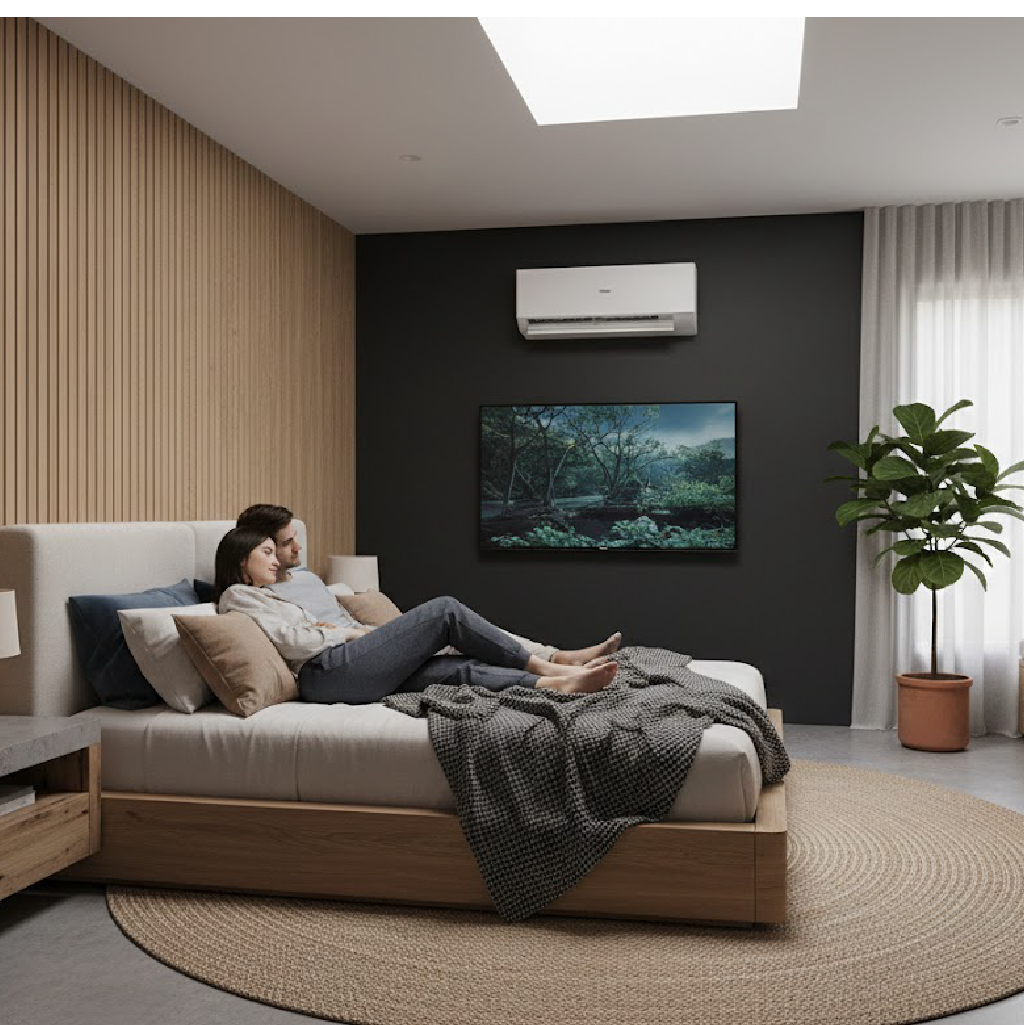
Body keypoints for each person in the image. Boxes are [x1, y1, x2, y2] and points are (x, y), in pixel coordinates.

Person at [214, 526, 618, 704]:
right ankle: (550, 665)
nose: (276, 560)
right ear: (240, 558)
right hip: (325, 674)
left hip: (338, 672)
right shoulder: (237, 596)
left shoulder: (268, 595)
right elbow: (292, 642)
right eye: (266, 552)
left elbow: (296, 632)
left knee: (458, 668)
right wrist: (346, 635)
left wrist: (330, 629)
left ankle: (552, 685)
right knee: (445, 611)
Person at [234, 503, 622, 668]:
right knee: (450, 617)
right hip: (352, 650)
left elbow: (341, 608)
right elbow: (297, 636)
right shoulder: (259, 595)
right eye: (284, 544)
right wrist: (349, 633)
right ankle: (554, 663)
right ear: (256, 549)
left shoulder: (307, 578)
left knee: (468, 636)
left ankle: (556, 659)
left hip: (373, 635)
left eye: (294, 539)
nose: (297, 548)